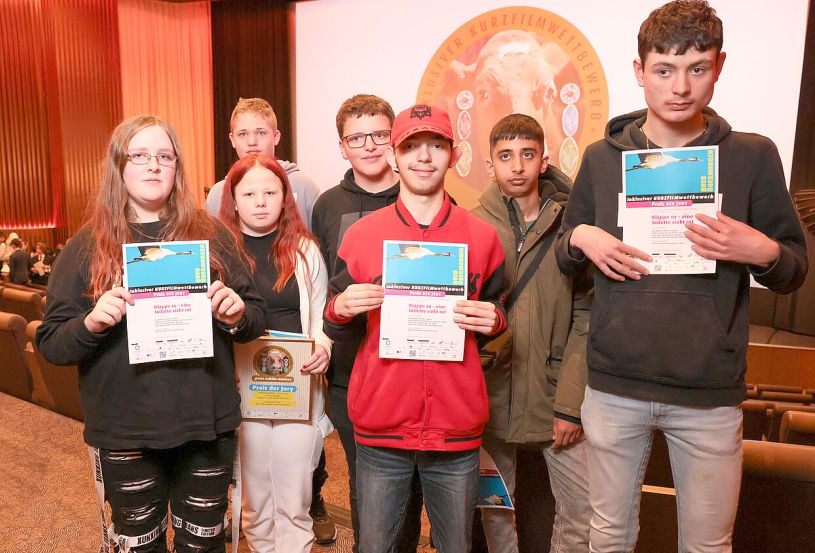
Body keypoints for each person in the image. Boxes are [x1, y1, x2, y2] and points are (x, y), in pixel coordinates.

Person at [555, 2, 808, 551]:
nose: (680, 87)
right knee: (608, 536)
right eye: (664, 70)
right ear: (638, 70)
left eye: (697, 68)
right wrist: (580, 236)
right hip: (614, 384)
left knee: (708, 545)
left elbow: (793, 270)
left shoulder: (752, 156)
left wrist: (760, 248)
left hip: (708, 393)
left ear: (719, 66)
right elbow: (564, 251)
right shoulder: (602, 157)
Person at [35, 114, 267, 553]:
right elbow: (51, 343)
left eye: (164, 156)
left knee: (204, 544)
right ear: (119, 165)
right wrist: (91, 323)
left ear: (177, 167)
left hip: (205, 425)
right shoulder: (87, 246)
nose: (154, 165)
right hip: (126, 429)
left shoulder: (210, 234)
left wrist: (236, 314)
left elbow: (254, 316)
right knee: (140, 546)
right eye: (140, 156)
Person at [325, 104, 507, 553]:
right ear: (394, 155)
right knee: (376, 546)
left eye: (436, 145)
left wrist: (496, 320)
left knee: (456, 546)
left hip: (455, 426)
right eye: (411, 146)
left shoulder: (482, 237)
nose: (423, 157)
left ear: (454, 153)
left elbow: (498, 311)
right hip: (382, 426)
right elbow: (337, 323)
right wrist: (341, 307)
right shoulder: (362, 236)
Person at [205, 96, 334, 542]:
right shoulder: (218, 256)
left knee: (296, 499)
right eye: (249, 194)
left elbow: (319, 317)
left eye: (270, 193)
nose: (260, 203)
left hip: (297, 387)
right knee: (255, 501)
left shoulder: (305, 251)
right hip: (243, 390)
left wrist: (323, 346)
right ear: (232, 202)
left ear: (285, 199)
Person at [470, 114, 592, 553]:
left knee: (582, 516)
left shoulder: (574, 225)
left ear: (544, 161)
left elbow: (586, 315)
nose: (517, 166)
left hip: (555, 392)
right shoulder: (471, 225)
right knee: (494, 513)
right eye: (505, 156)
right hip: (490, 395)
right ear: (490, 165)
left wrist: (571, 403)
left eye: (527, 154)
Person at [309, 93, 424, 553]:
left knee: (412, 477)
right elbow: (321, 285)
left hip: (412, 363)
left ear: (393, 138)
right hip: (350, 367)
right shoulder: (327, 205)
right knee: (365, 479)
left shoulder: (423, 191)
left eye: (379, 134)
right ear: (342, 147)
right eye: (358, 137)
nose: (371, 146)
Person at [205, 98, 320, 225]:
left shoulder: (304, 186)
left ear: (276, 137)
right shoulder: (217, 194)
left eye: (260, 133)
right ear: (232, 140)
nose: (252, 142)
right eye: (243, 134)